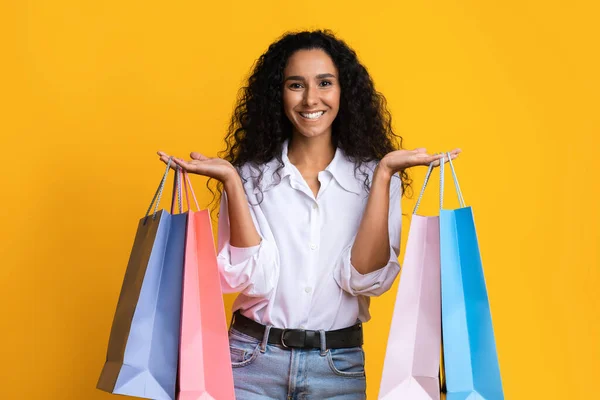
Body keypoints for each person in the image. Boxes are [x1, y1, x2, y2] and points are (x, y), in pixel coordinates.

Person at [158, 30, 460, 400]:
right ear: (278, 94)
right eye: (296, 85)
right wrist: (233, 183)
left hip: (338, 368)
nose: (311, 98)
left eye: (325, 83)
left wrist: (383, 175)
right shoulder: (252, 175)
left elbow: (365, 281)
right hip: (249, 362)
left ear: (343, 91)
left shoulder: (374, 179)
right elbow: (249, 279)